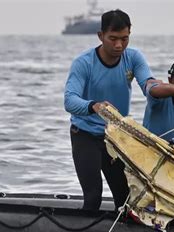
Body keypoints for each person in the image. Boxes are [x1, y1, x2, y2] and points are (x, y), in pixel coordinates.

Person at [64, 9, 157, 210]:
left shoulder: (133, 58)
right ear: (100, 36)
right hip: (85, 135)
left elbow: (148, 85)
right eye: (112, 39)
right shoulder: (83, 63)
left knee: (126, 200)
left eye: (124, 39)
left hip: (116, 137)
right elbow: (69, 101)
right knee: (93, 197)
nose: (119, 45)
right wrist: (93, 106)